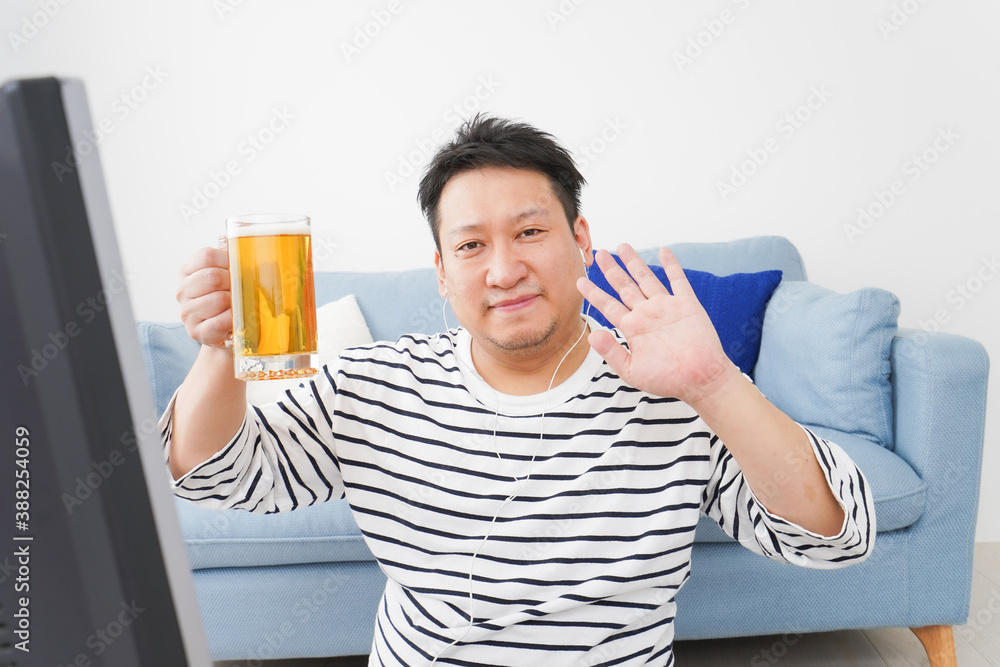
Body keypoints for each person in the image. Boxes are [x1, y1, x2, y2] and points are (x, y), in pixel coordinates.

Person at [164, 115, 874, 666]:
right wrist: (220, 348)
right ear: (442, 272)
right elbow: (209, 474)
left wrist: (716, 385)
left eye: (530, 231)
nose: (503, 270)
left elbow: (835, 538)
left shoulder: (679, 387)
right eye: (471, 245)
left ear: (580, 240)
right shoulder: (376, 385)